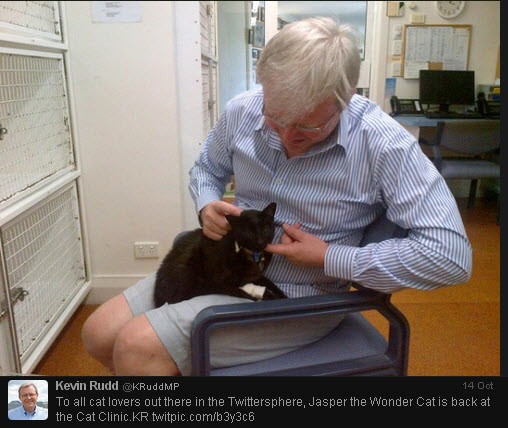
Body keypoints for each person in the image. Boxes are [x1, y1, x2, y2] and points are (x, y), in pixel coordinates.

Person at [81, 17, 472, 376]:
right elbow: (207, 169)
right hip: (224, 267)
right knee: (98, 333)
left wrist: (331, 257)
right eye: (276, 118)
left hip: (298, 296)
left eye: (307, 127)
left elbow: (450, 256)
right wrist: (206, 203)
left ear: (346, 98)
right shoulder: (243, 110)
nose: (286, 137)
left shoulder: (385, 145)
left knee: (136, 348)